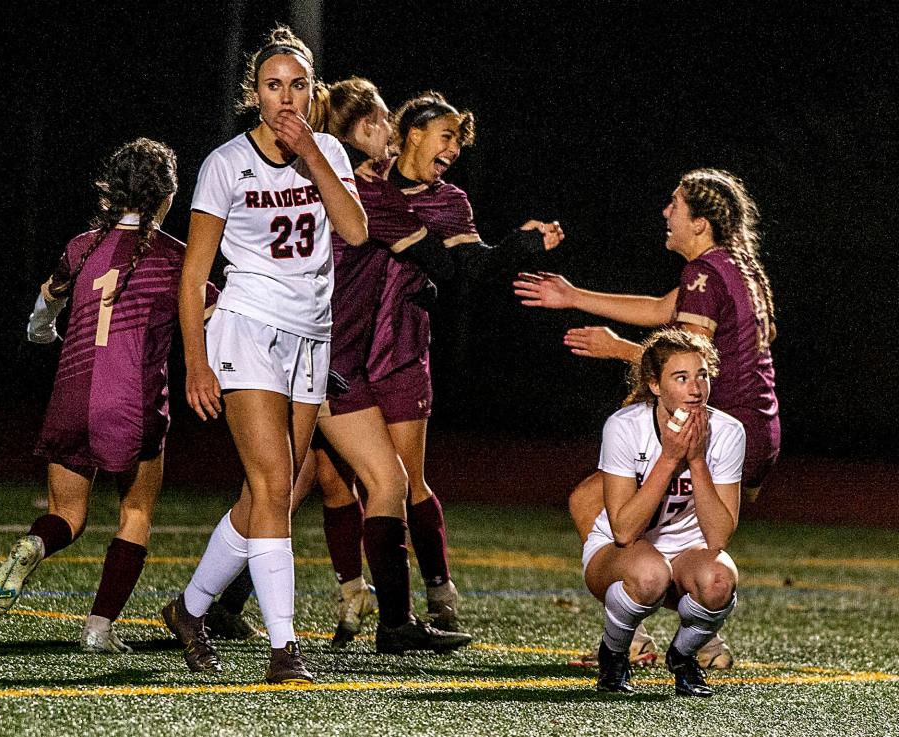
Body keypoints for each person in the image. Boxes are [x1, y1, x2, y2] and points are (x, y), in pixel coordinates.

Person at [206, 88, 563, 653]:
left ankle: (210, 606)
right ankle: (373, 617)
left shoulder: (354, 185)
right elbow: (445, 264)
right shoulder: (350, 186)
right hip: (322, 353)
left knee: (303, 483)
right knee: (326, 482)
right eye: (378, 122)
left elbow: (457, 265)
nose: (389, 131)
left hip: (354, 355)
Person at [158, 27, 367, 684]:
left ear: (312, 93)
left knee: (269, 492)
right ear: (254, 94)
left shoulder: (326, 148)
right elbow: (193, 275)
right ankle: (285, 649)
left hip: (311, 331)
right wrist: (195, 360)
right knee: (276, 482)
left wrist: (312, 154)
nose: (286, 97)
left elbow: (356, 230)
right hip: (246, 325)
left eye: (298, 85)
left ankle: (189, 608)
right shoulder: (225, 163)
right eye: (274, 86)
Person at [514, 168, 776, 668]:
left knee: (595, 507)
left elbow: (681, 365)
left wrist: (615, 349)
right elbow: (661, 310)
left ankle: (631, 636)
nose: (665, 213)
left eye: (674, 204)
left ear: (700, 223)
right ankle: (703, 634)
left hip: (713, 425)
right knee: (680, 537)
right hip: (760, 427)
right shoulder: (736, 267)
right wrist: (573, 296)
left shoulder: (702, 273)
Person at [0, 137, 199, 654]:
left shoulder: (82, 247)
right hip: (132, 401)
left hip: (70, 394)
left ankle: (34, 543)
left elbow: (45, 303)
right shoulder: (176, 258)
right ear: (166, 196)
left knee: (68, 515)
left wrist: (42, 334)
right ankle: (98, 628)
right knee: (136, 513)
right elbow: (213, 314)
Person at [583, 327, 742, 697]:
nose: (695, 388)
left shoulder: (728, 431)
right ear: (655, 385)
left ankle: (683, 657)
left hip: (687, 554)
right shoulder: (625, 427)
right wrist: (669, 459)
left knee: (720, 581)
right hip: (619, 554)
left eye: (702, 375)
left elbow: (718, 537)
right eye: (681, 377)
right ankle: (615, 652)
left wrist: (697, 459)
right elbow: (623, 530)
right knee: (650, 573)